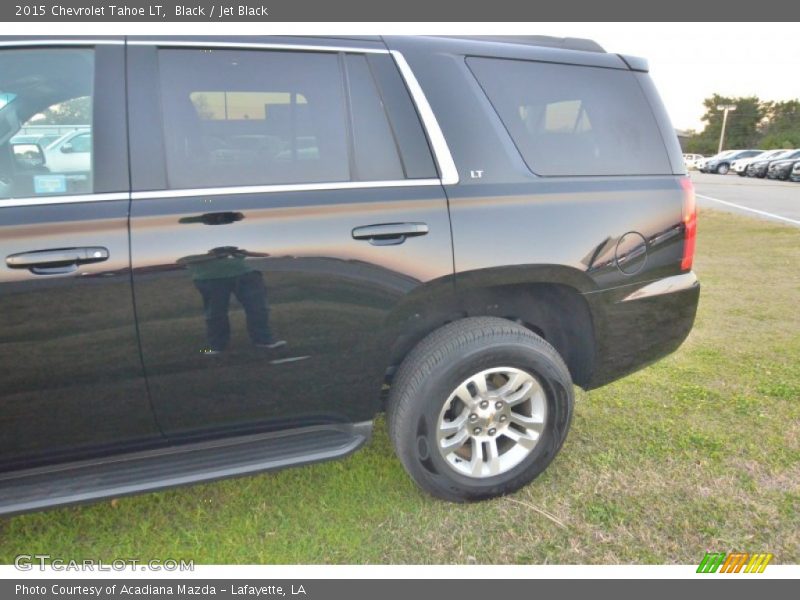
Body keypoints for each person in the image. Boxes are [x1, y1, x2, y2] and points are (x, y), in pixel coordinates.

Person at [177, 246, 286, 355]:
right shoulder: (197, 257)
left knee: (258, 308)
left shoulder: (236, 255)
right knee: (215, 313)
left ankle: (264, 340)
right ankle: (216, 347)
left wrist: (241, 252)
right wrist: (216, 256)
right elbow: (182, 261)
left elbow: (264, 254)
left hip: (245, 276)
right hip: (211, 281)